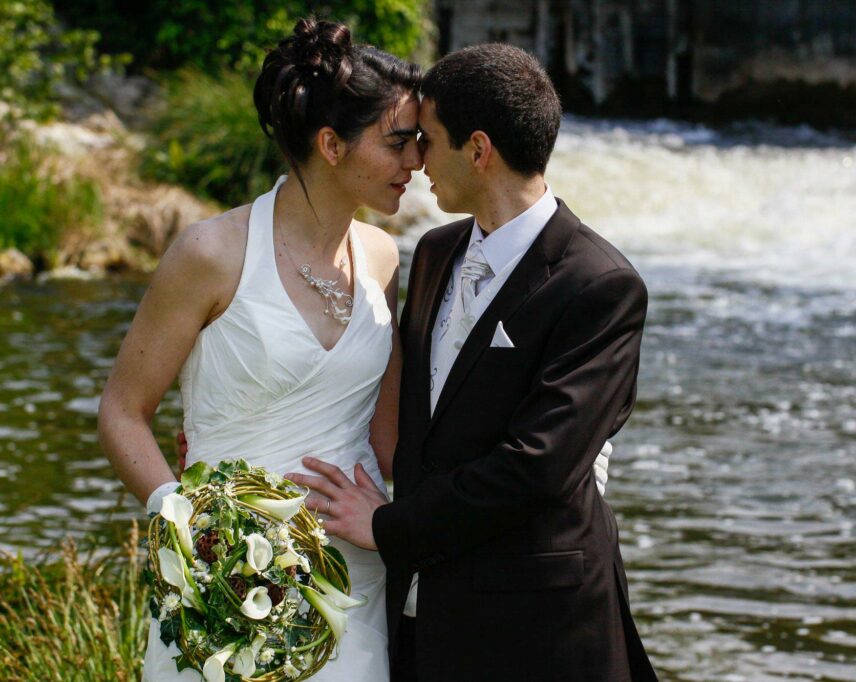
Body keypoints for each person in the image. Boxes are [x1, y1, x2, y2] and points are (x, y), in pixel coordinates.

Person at [287, 43, 658, 681]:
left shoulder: (600, 285)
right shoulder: (432, 253)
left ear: (479, 151)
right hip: (426, 611)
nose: (416, 160)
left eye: (426, 140)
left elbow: (536, 467)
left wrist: (390, 528)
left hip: (540, 623)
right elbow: (404, 406)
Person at [98, 18, 421, 681]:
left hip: (353, 580)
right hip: (217, 575)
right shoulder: (210, 253)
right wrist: (186, 531)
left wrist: (409, 522)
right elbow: (122, 411)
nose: (416, 162)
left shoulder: (385, 257)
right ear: (332, 144)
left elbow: (390, 439)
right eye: (397, 142)